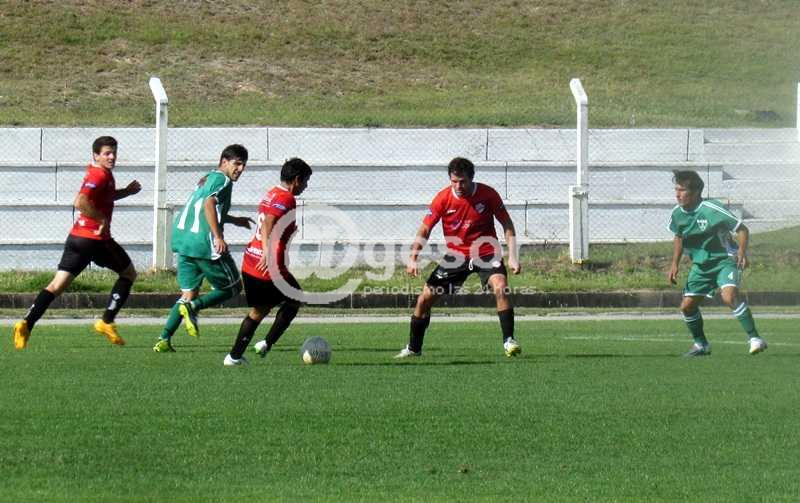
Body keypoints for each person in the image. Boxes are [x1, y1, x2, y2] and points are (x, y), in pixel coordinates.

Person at [13, 136, 141, 349]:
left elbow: (102, 198)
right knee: (128, 274)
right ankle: (106, 321)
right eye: (107, 153)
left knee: (56, 286)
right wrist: (101, 219)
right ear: (96, 155)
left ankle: (26, 323)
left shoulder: (100, 173)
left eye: (114, 152)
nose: (112, 157)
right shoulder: (99, 174)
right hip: (95, 240)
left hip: (77, 238)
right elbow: (80, 201)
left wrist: (126, 192)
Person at [395, 157, 521, 359]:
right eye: (454, 181)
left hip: (486, 252)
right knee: (424, 300)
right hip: (456, 256)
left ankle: (509, 341)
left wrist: (512, 256)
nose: (458, 186)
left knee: (500, 286)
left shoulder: (488, 194)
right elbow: (425, 229)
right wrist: (413, 257)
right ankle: (414, 348)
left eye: (462, 181)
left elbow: (507, 224)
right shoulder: (443, 199)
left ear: (471, 178)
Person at [153, 144, 253, 353]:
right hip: (203, 243)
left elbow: (204, 208)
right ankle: (193, 308)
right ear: (224, 162)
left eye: (244, 165)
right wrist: (218, 236)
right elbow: (209, 204)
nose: (241, 169)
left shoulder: (207, 178)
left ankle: (164, 339)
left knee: (189, 293)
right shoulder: (223, 180)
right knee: (233, 287)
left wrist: (235, 220)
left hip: (184, 241)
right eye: (237, 164)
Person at [667, 170, 767, 357]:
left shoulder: (712, 208)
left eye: (682, 190)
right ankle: (701, 345)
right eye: (676, 190)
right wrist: (675, 264)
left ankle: (755, 338)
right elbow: (678, 237)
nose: (677, 194)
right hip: (701, 266)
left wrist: (741, 252)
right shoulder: (677, 213)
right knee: (687, 307)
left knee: (729, 297)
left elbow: (742, 229)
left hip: (724, 260)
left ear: (696, 192)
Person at [223, 158, 312, 366]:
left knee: (259, 311)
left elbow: (270, 221)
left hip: (250, 261)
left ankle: (234, 356)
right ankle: (266, 343)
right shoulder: (286, 197)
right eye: (306, 181)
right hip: (269, 266)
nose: (306, 186)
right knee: (294, 299)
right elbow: (269, 222)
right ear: (297, 179)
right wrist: (267, 252)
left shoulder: (271, 193)